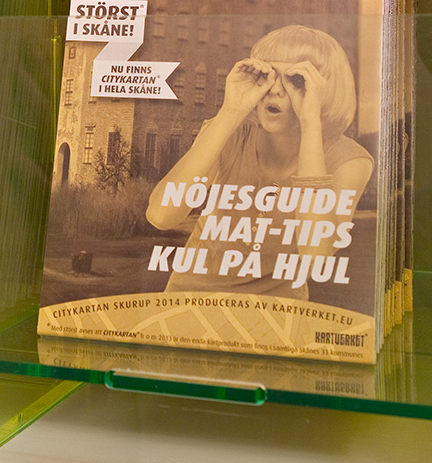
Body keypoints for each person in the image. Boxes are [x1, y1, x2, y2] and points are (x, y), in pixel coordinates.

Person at [146, 24, 373, 300]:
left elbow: (317, 254)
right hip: (192, 297)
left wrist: (311, 122)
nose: (274, 90)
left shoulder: (349, 159)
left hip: (278, 309)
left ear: (325, 90)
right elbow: (161, 216)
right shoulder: (230, 132)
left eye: (295, 80)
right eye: (266, 75)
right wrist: (231, 111)